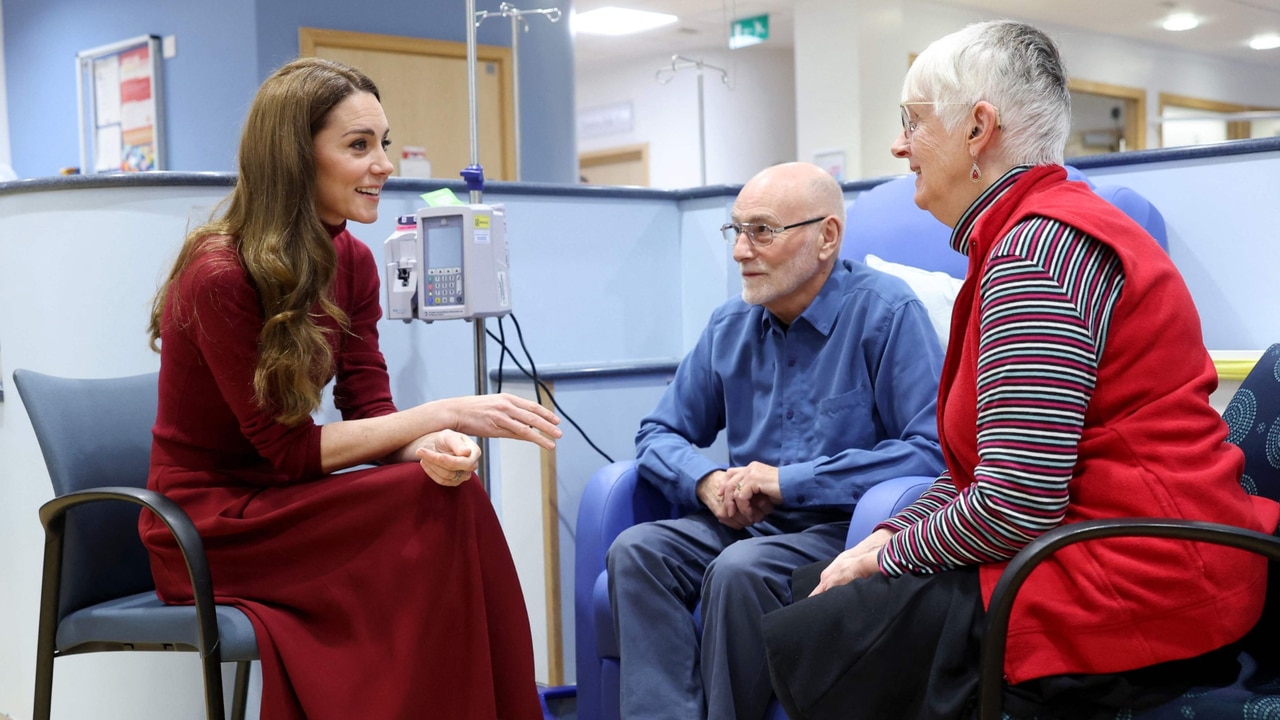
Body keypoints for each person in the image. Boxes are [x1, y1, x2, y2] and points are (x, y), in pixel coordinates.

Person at [762, 21, 1280, 720]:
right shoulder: (1026, 235)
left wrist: (884, 557)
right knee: (818, 599)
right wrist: (892, 534)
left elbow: (1016, 504)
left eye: (911, 122)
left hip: (1140, 583)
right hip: (1102, 551)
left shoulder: (1038, 253)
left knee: (825, 632)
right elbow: (981, 473)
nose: (897, 145)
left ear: (979, 129)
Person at [140, 57, 559, 720]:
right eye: (359, 146)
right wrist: (446, 409)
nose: (384, 164)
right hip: (207, 527)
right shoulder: (218, 275)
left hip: (286, 503)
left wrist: (432, 445)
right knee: (439, 516)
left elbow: (370, 413)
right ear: (294, 159)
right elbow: (288, 452)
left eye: (383, 143)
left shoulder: (353, 261)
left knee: (447, 492)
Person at [607, 161, 946, 719]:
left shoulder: (886, 313)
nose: (741, 250)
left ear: (826, 237)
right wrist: (707, 482)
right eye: (736, 230)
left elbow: (930, 450)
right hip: (749, 525)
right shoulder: (729, 325)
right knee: (639, 551)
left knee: (741, 571)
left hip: (846, 532)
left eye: (761, 231)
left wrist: (791, 481)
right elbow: (658, 432)